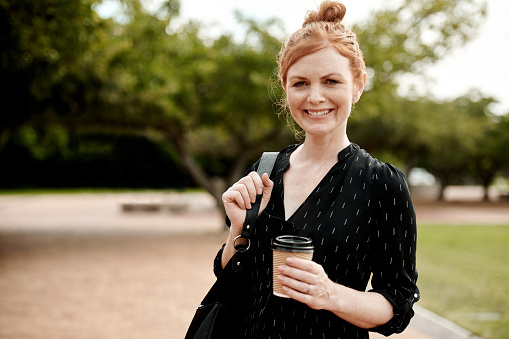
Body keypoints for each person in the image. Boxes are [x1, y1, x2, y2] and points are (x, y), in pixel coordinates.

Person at [215, 1, 419, 337]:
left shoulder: (381, 183)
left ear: (358, 85)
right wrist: (238, 229)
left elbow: (397, 304)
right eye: (300, 83)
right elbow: (229, 278)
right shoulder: (264, 170)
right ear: (285, 87)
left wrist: (330, 294)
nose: (315, 97)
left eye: (331, 81)